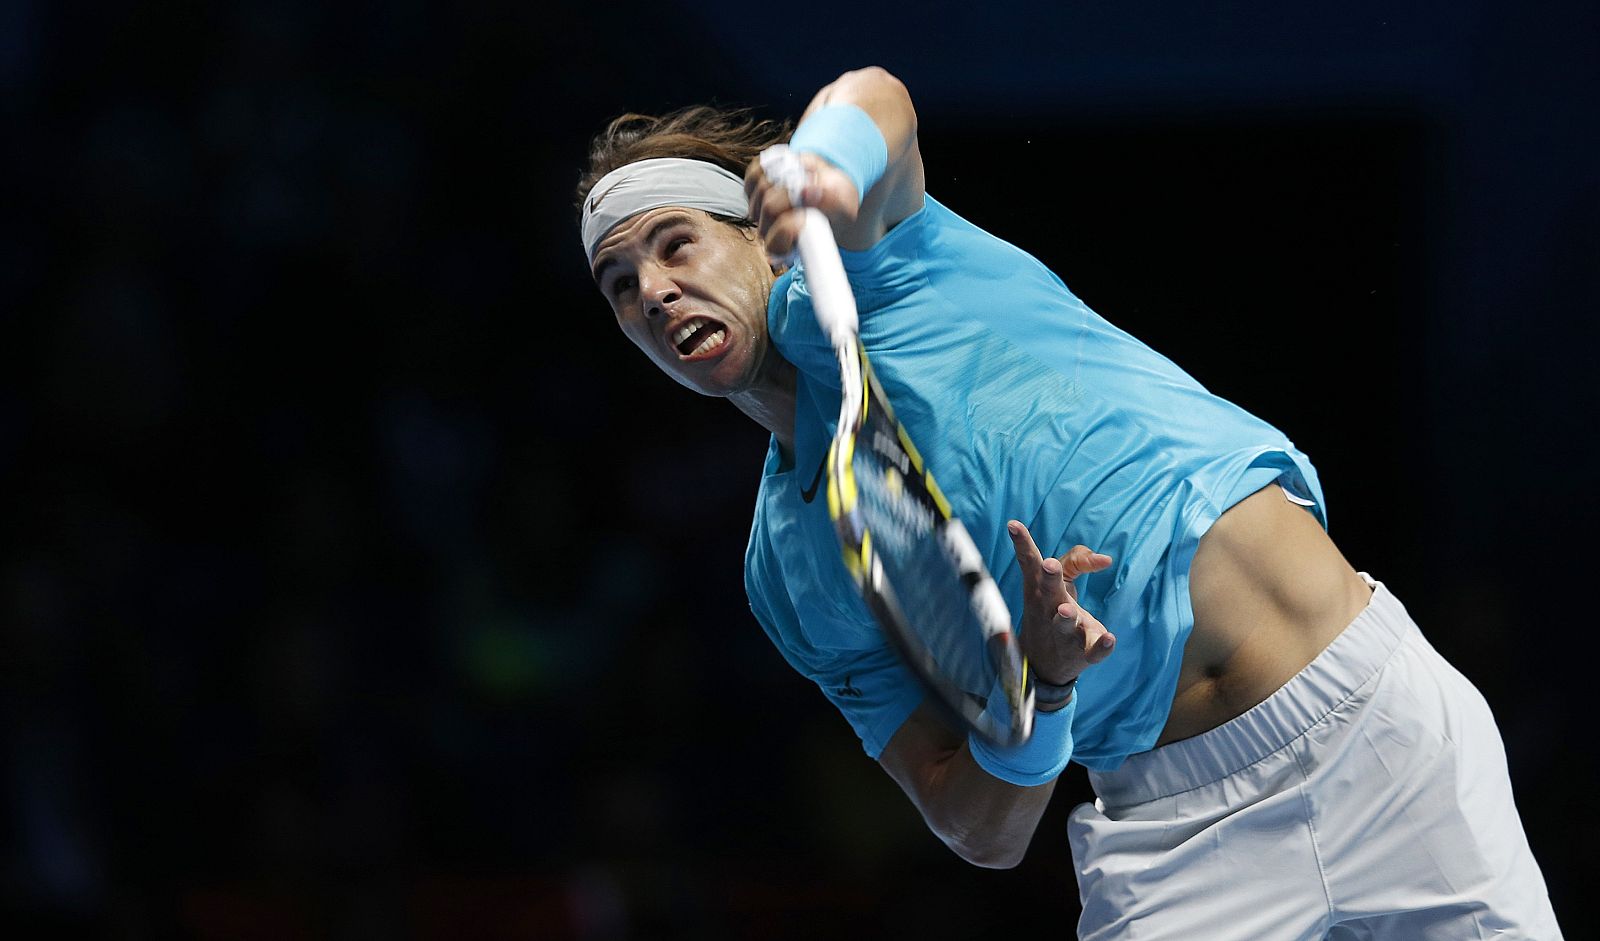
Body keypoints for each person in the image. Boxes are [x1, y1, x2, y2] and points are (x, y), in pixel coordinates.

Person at [574, 67, 1562, 939]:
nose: (653, 292)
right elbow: (974, 826)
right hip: (1170, 835)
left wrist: (822, 168)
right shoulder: (787, 575)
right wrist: (1040, 691)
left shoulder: (882, 269)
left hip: (1374, 723)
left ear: (757, 237)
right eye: (620, 285)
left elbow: (880, 100)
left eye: (676, 244)